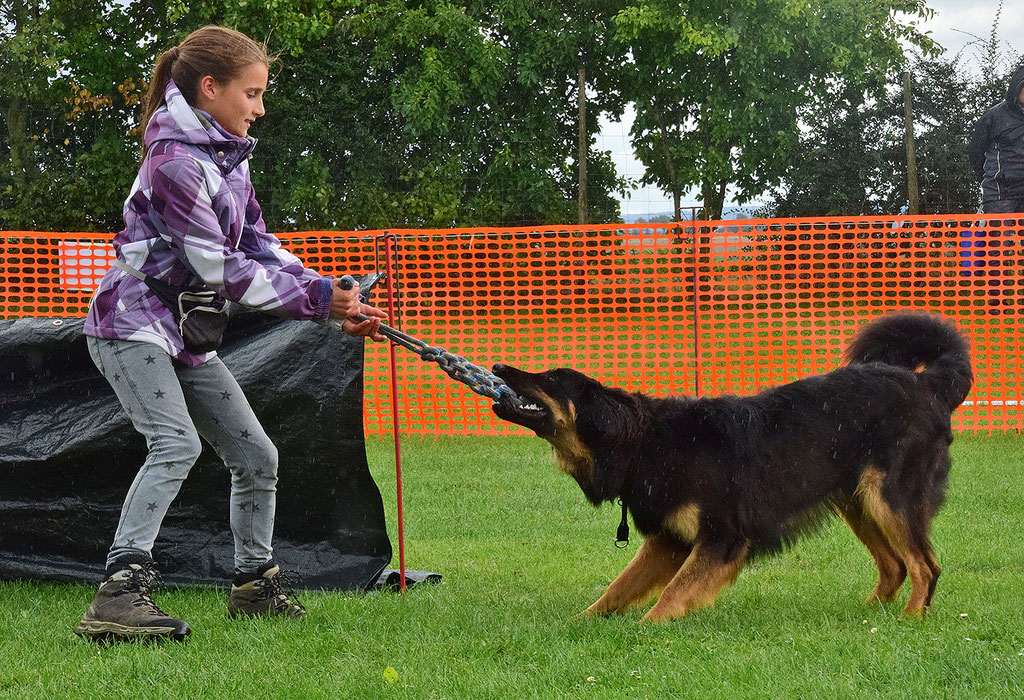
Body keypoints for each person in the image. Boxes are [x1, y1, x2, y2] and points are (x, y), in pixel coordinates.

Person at [74, 26, 388, 641]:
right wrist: (321, 299)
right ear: (210, 89)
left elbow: (256, 246)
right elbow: (214, 267)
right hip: (131, 324)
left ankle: (253, 588)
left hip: (182, 332)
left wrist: (333, 294)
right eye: (252, 94)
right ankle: (117, 595)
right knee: (175, 445)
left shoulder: (228, 158)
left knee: (256, 455)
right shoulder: (175, 164)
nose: (260, 108)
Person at [968, 64, 1024, 214]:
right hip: (1000, 194)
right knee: (998, 238)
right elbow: (976, 151)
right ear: (1016, 88)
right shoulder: (995, 115)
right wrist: (992, 180)